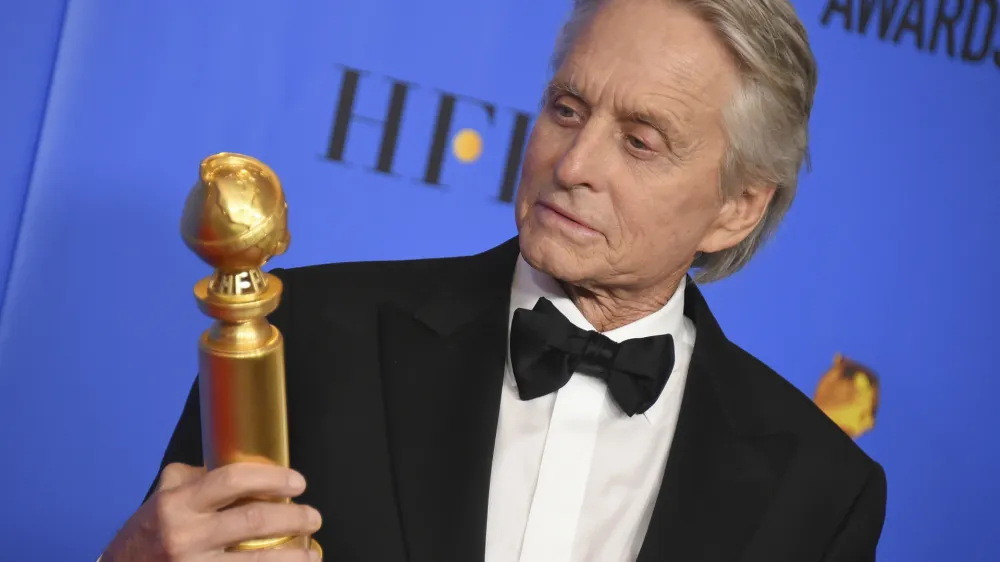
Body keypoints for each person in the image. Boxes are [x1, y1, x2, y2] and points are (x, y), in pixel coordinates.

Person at [101, 0, 887, 560]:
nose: (573, 165)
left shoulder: (819, 490)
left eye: (641, 142)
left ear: (736, 209)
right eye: (568, 109)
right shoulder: (307, 335)